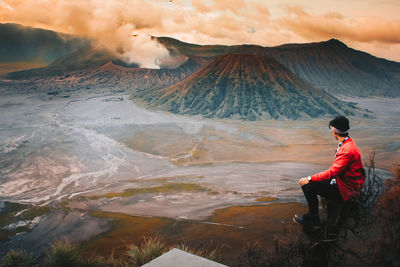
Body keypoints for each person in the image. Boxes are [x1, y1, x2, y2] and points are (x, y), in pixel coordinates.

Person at [293, 115, 365, 226]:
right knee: (316, 182)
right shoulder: (348, 143)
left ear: (335, 131)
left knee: (307, 185)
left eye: (332, 130)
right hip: (345, 183)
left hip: (346, 189)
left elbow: (333, 172)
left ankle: (313, 218)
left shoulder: (347, 150)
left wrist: (309, 178)